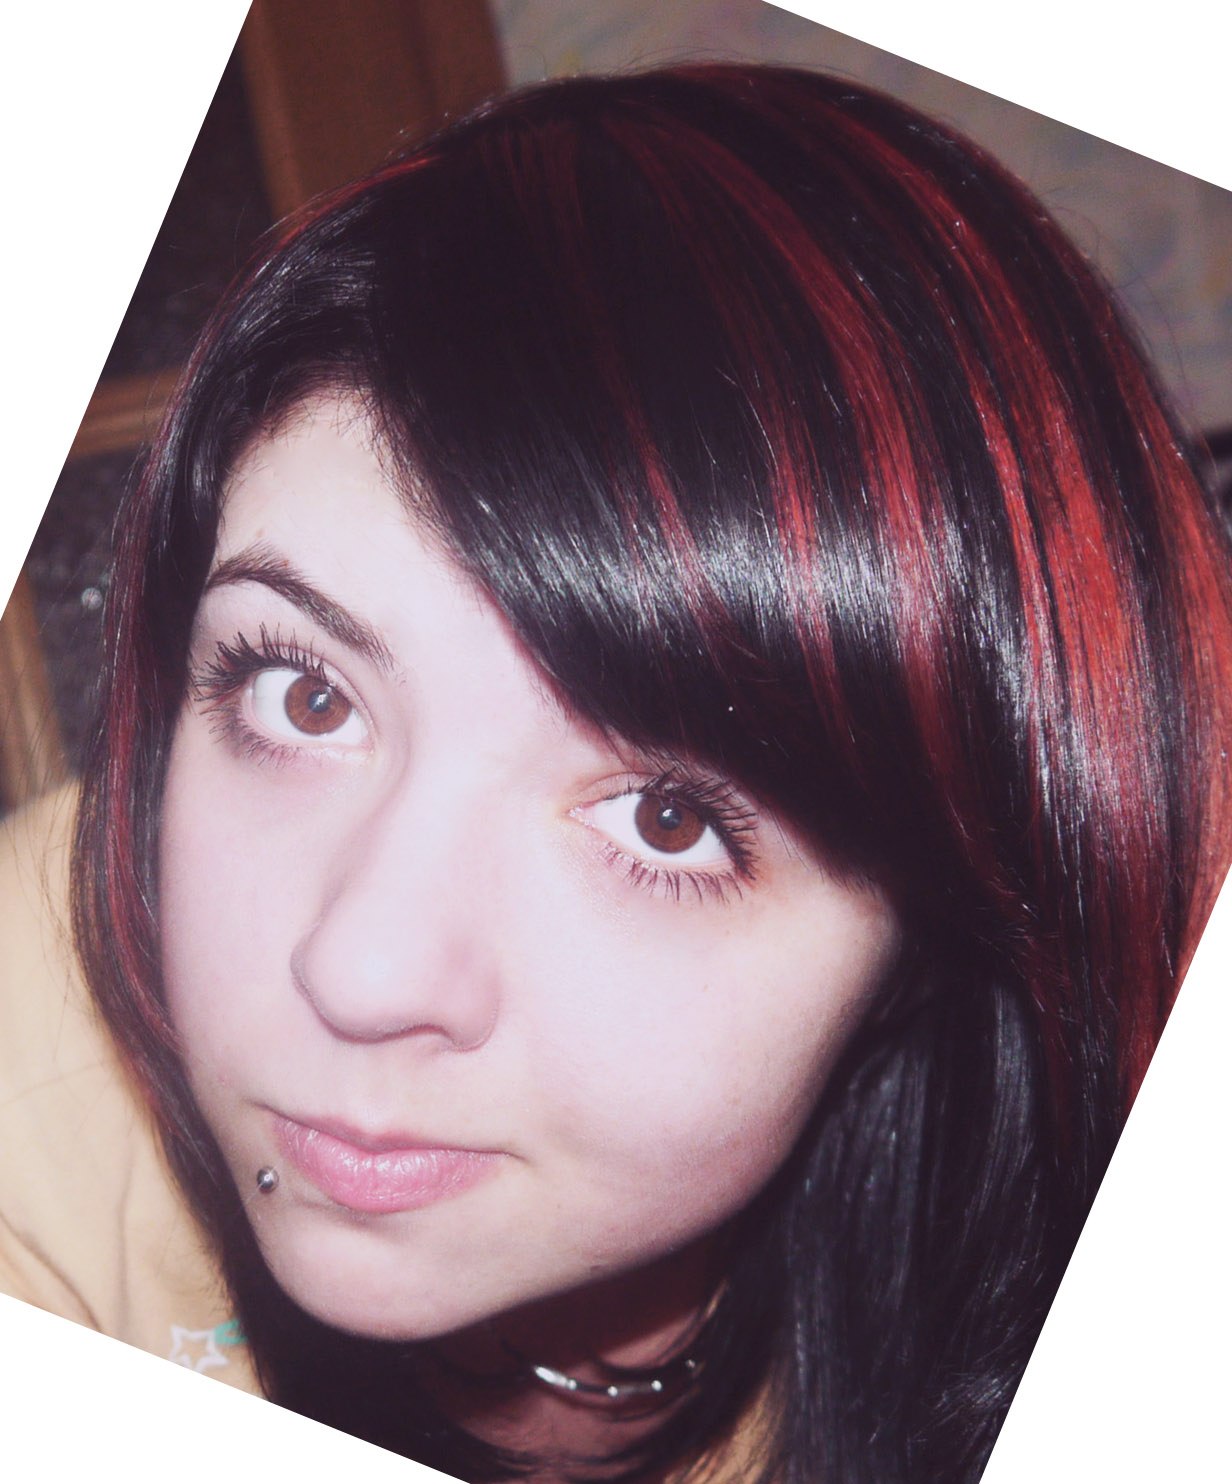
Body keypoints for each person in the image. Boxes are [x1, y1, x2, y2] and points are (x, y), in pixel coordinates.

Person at [2, 64, 1229, 1484]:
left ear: (931, 942)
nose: (360, 968)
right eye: (307, 695)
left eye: (666, 816)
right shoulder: (38, 1020)